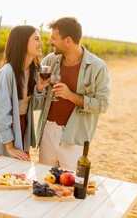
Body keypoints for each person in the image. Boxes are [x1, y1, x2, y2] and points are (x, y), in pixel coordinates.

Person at [35, 17, 111, 170]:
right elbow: (38, 99)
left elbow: (102, 104)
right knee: (44, 182)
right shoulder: (50, 61)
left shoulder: (97, 67)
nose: (50, 41)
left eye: (54, 38)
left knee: (69, 187)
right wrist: (39, 89)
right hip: (48, 132)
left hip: (74, 137)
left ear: (68, 41)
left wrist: (70, 95)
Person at [0, 25, 45, 162]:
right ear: (22, 42)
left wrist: (39, 88)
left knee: (19, 177)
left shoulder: (36, 71)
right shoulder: (7, 72)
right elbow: (1, 113)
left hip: (22, 127)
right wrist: (9, 147)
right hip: (3, 134)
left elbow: (36, 107)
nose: (41, 43)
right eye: (36, 39)